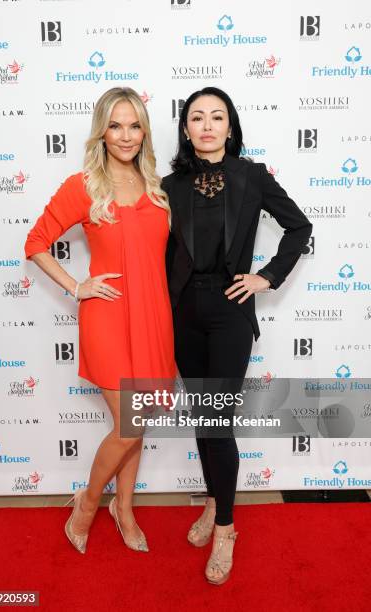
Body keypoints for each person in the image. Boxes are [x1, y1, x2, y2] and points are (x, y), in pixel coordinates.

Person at [162, 86, 312, 585]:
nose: (207, 125)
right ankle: (213, 501)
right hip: (184, 312)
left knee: (217, 420)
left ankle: (225, 526)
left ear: (231, 126)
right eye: (197, 117)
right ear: (186, 129)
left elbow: (299, 227)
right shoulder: (169, 185)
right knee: (203, 420)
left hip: (230, 311)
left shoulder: (251, 176)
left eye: (217, 117)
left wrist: (266, 277)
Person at [24, 87, 175, 554]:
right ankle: (88, 504)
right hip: (107, 314)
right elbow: (35, 243)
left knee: (141, 419)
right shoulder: (83, 185)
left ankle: (123, 508)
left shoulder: (156, 186)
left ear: (144, 130)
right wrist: (77, 286)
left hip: (153, 314)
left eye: (134, 125)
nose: (126, 135)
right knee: (130, 421)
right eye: (116, 125)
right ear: (101, 132)